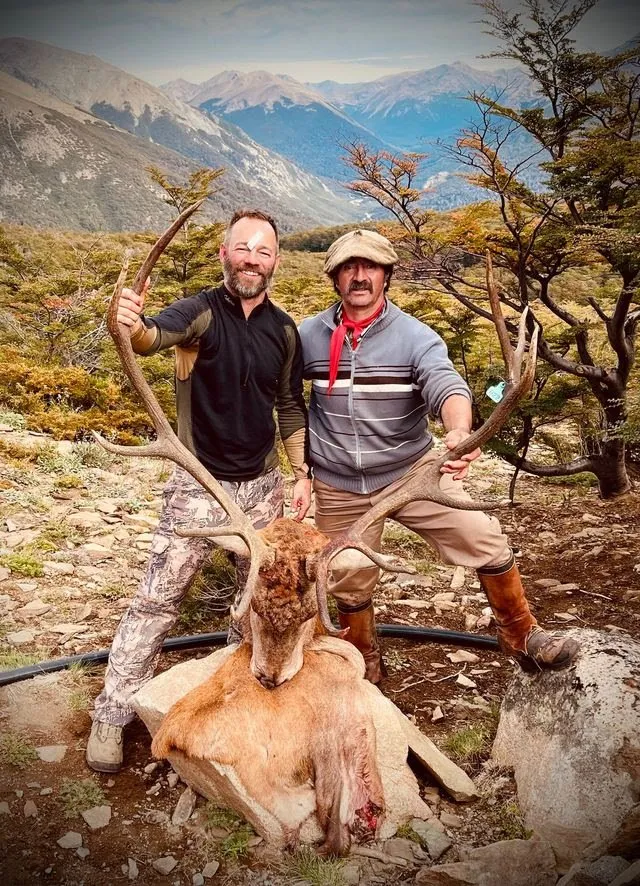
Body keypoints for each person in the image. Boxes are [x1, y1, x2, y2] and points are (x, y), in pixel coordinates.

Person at [298, 229, 580, 685]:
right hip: (338, 482)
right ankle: (362, 655)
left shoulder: (415, 336)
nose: (360, 276)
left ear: (386, 276)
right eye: (349, 267)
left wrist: (459, 431)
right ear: (334, 277)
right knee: (348, 573)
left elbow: (446, 386)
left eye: (370, 266)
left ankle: (520, 632)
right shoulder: (308, 335)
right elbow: (285, 397)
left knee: (483, 536)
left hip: (411, 475)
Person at [86, 209, 312, 773]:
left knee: (259, 604)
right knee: (158, 600)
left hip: (262, 488)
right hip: (197, 485)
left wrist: (301, 472)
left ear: (276, 261)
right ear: (224, 254)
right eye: (242, 248)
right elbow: (149, 338)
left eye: (263, 251)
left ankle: (241, 699)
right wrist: (129, 322)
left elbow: (288, 404)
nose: (252, 260)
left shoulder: (284, 330)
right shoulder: (201, 312)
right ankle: (111, 715)